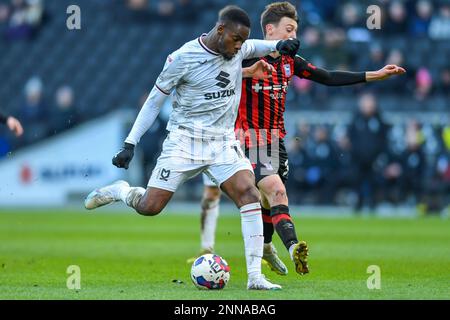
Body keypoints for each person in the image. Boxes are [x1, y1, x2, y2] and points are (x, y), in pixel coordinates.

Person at [84, 5, 301, 290]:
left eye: (242, 42)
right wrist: (130, 142)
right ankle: (121, 191)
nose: (239, 48)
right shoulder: (183, 58)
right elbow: (153, 101)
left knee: (249, 193)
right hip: (185, 142)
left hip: (222, 141)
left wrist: (279, 44)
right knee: (150, 207)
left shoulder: (238, 47)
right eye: (236, 41)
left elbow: (255, 45)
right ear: (220, 30)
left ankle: (255, 277)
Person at [194, 1, 406, 276]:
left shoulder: (289, 61)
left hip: (274, 141)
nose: (293, 36)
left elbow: (327, 77)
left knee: (268, 199)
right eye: (288, 29)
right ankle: (294, 248)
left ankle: (267, 247)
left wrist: (374, 75)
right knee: (276, 190)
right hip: (248, 138)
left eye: (295, 31)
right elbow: (213, 71)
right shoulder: (244, 56)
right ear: (270, 30)